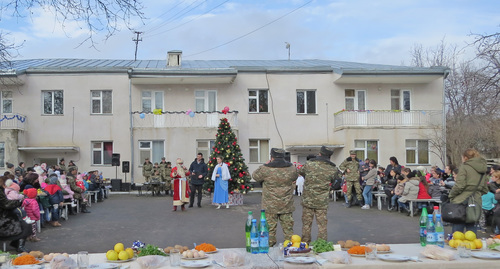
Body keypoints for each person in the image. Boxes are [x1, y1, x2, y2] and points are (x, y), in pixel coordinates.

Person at [253, 148, 298, 247]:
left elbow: (255, 176)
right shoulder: (291, 168)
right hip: (286, 205)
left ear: (271, 157)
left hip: (270, 206)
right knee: (288, 232)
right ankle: (290, 252)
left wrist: (265, 164)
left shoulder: (265, 169)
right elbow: (295, 177)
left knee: (269, 232)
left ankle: (268, 254)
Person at [298, 146, 337, 243]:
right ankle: (322, 245)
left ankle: (305, 244)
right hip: (322, 201)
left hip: (308, 200)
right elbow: (335, 179)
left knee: (306, 224)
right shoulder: (332, 168)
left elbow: (301, 172)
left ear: (320, 154)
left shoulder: (309, 164)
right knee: (322, 225)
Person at [449, 148, 488, 233]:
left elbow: (460, 186)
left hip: (461, 200)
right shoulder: (483, 169)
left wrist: (451, 195)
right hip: (476, 201)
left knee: (458, 231)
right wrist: (476, 193)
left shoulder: (465, 167)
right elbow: (485, 189)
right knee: (472, 230)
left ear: (465, 157)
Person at [0, 176, 31, 252]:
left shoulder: (2, 190)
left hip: (4, 216)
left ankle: (17, 244)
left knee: (20, 220)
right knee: (25, 224)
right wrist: (19, 201)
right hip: (2, 219)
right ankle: (19, 246)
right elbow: (6, 204)